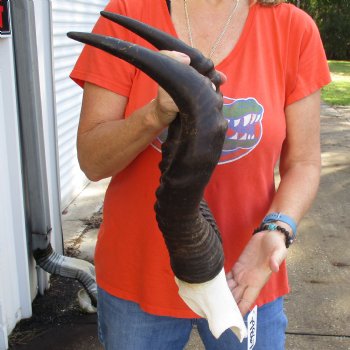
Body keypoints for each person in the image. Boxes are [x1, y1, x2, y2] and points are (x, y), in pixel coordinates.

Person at [70, 0, 331, 348]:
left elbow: (303, 163)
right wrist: (155, 114)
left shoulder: (291, 27)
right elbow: (93, 161)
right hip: (139, 277)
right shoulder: (128, 13)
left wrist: (277, 230)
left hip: (247, 274)